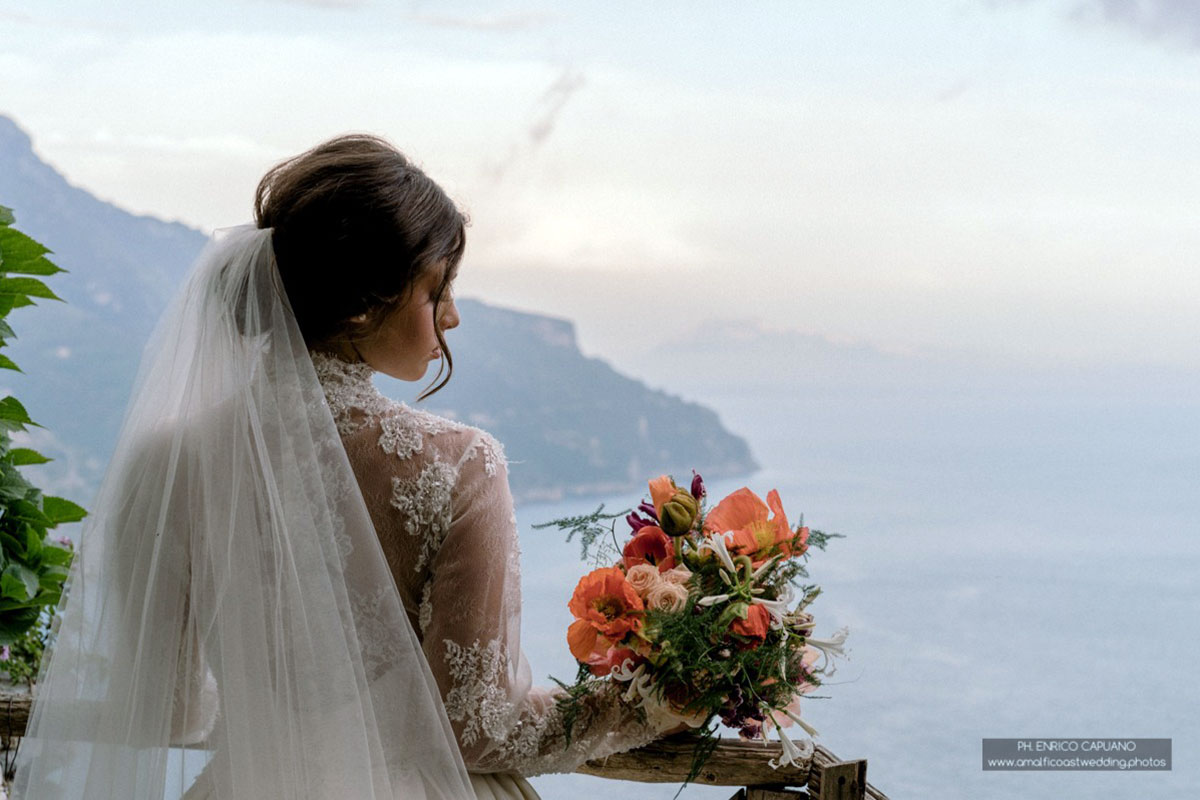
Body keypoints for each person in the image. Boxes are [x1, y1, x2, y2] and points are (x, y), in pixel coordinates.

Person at [12, 135, 682, 800]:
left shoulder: (161, 462)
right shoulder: (461, 465)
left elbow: (173, 707)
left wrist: (281, 717)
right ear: (362, 304)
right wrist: (649, 702)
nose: (452, 314)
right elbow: (478, 729)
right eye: (435, 290)